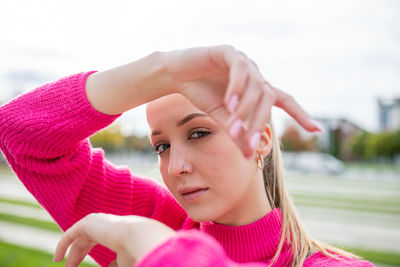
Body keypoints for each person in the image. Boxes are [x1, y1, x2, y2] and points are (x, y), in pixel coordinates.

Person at [0, 45, 373, 267]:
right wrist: (163, 70)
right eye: (161, 145)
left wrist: (150, 244)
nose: (175, 166)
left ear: (260, 140)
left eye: (199, 133)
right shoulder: (155, 216)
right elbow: (19, 131)